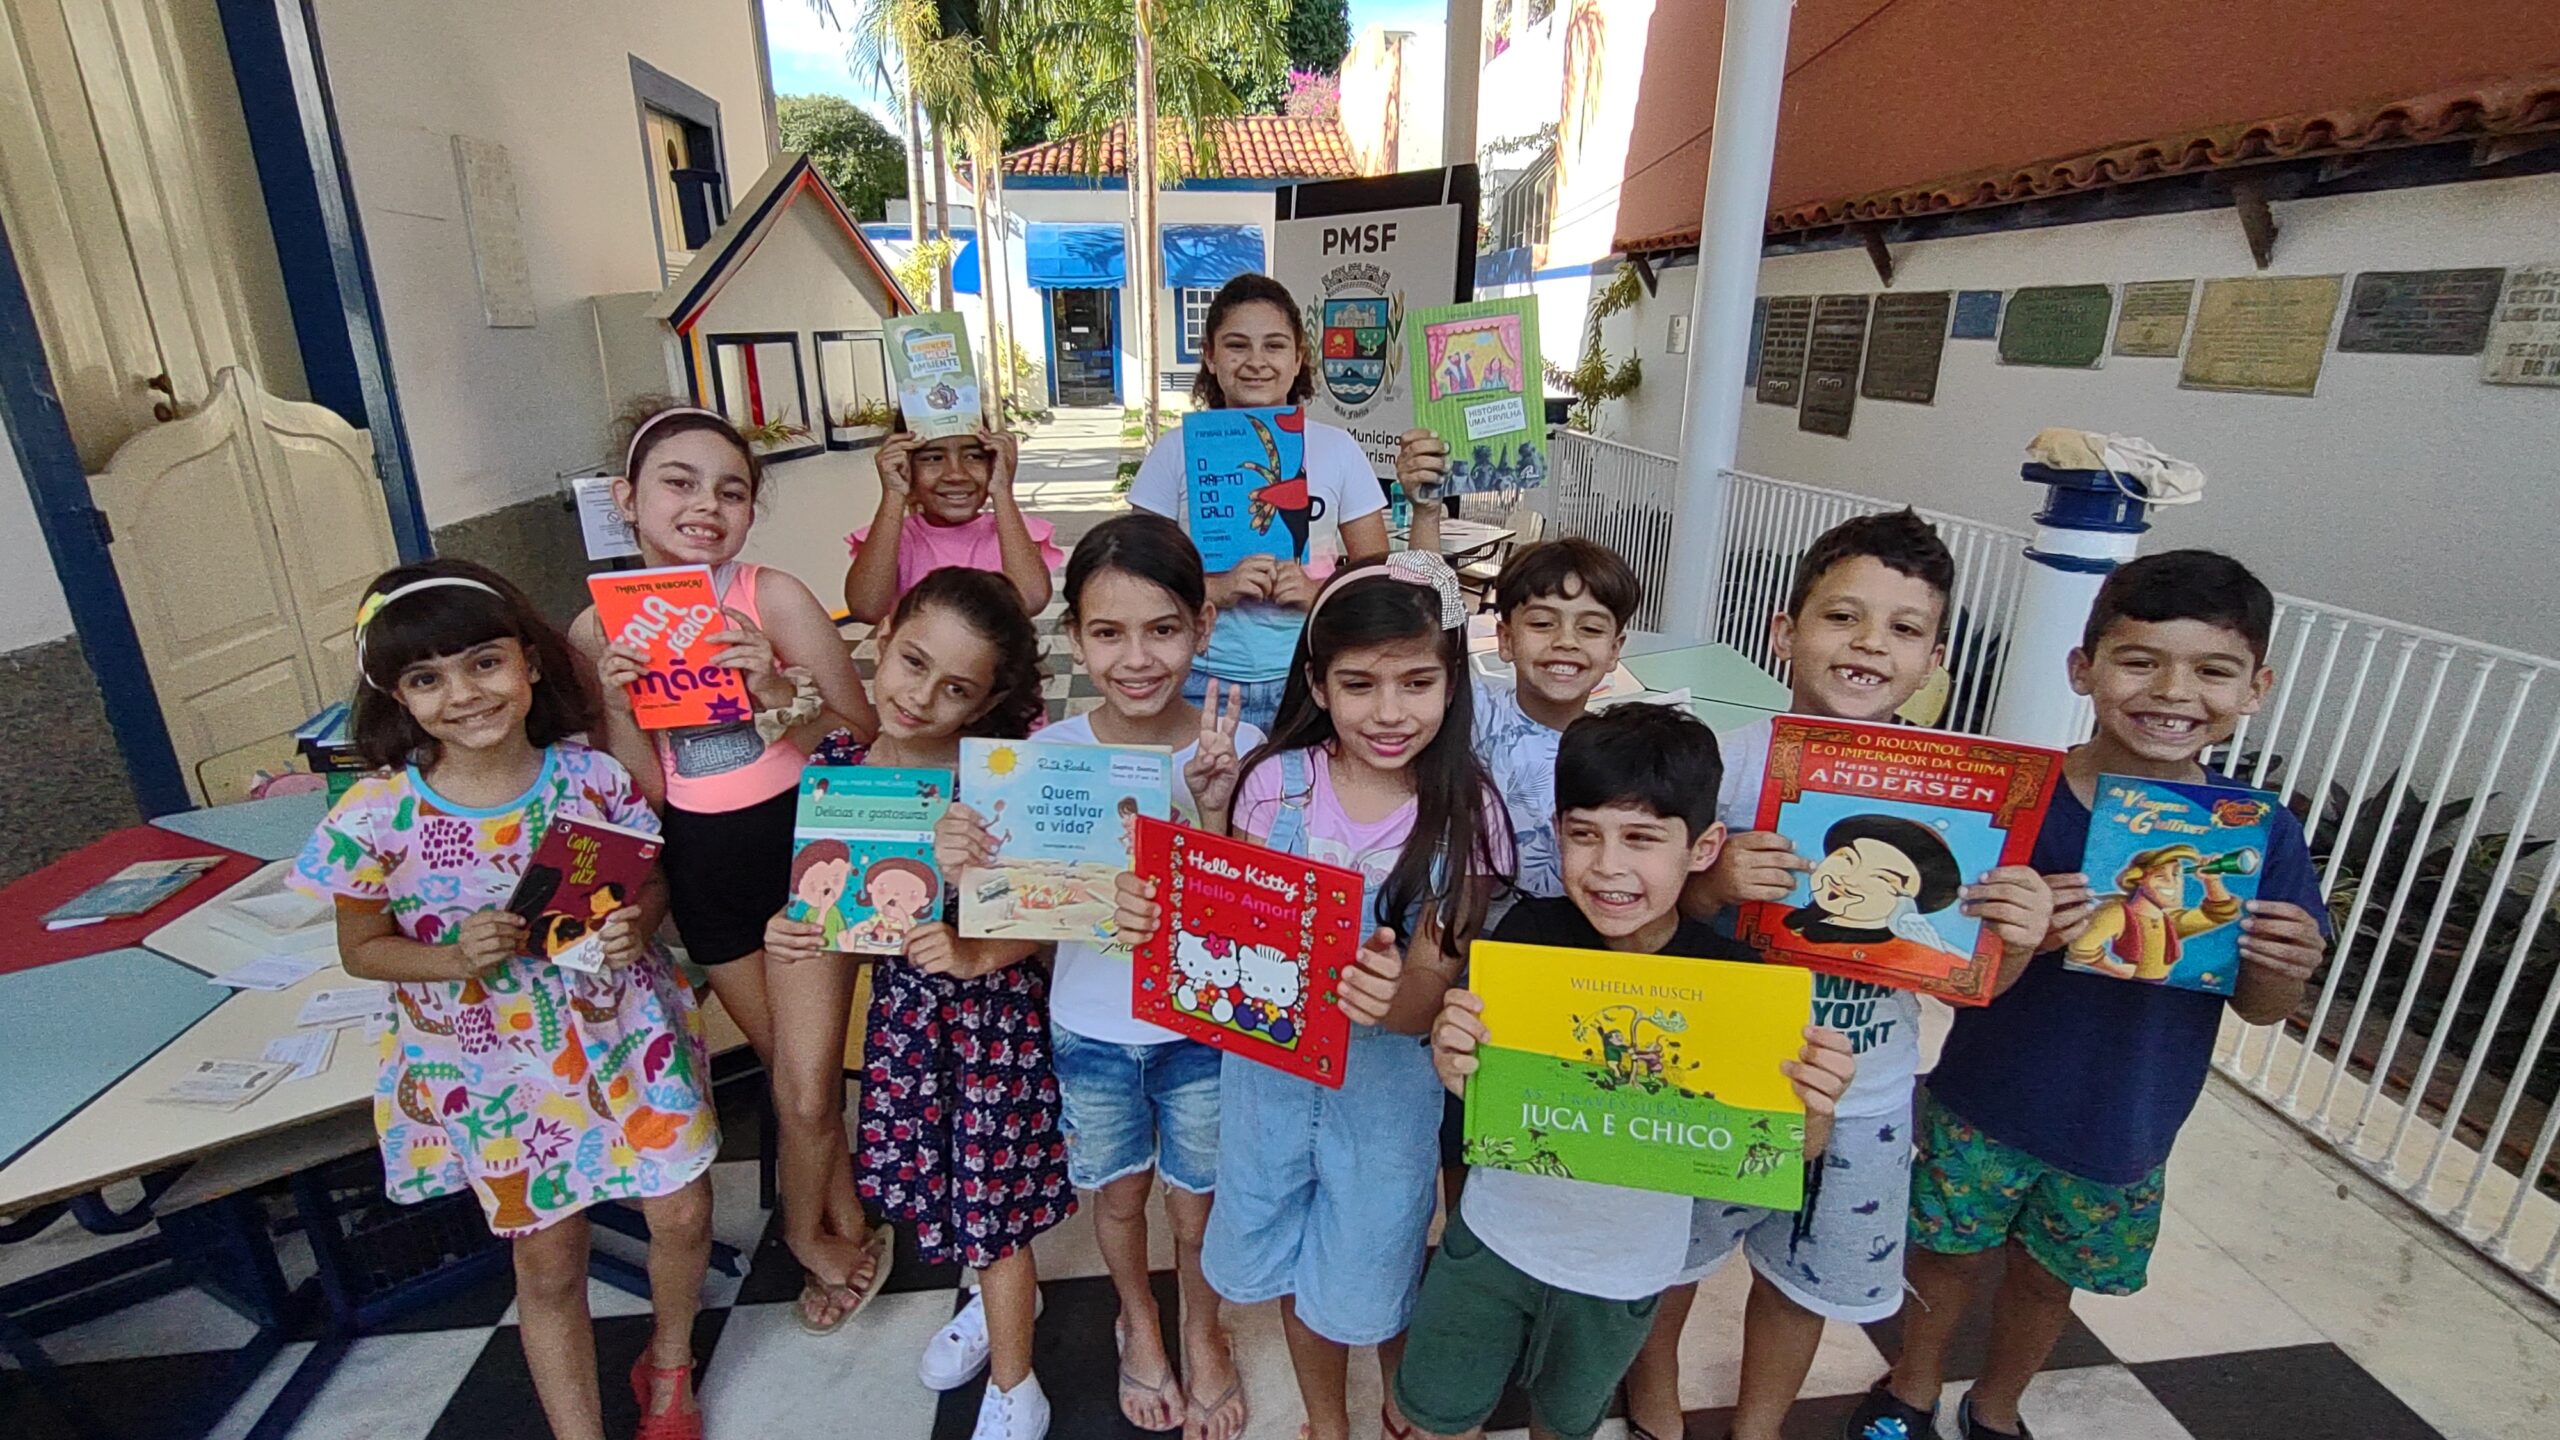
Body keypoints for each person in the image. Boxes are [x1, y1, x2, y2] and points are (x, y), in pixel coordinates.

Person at [1851, 550, 2329, 1440]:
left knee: (2046, 1274)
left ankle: (1997, 1406)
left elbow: (2262, 1008)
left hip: (2128, 1122)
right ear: (2085, 667)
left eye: (2213, 670)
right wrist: (2022, 935)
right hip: (1984, 1101)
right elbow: (1966, 987)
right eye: (2139, 659)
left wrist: (2284, 964)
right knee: (1948, 1255)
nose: (2173, 691)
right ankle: (1909, 1389)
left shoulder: (2254, 835)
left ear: (2254, 686)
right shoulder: (2016, 807)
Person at [1623, 510, 2055, 1440]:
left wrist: (2012, 942)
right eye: (1842, 617)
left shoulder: (1963, 794)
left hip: (1866, 1089)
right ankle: (1653, 1400)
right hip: (1718, 1078)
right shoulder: (1721, 768)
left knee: (1803, 1276)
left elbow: (1969, 982)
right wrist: (1712, 885)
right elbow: (1638, 919)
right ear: (1785, 632)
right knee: (1672, 1260)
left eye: (1904, 629)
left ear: (1934, 658)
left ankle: (1759, 1425)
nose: (1869, 645)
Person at [294, 560, 718, 1440]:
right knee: (549, 1258)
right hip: (494, 1069)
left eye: (483, 662)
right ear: (398, 697)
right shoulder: (376, 816)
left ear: (527, 663)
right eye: (427, 678)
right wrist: (451, 958)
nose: (463, 694)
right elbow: (362, 949)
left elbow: (647, 885)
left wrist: (638, 924)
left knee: (679, 1209)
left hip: (623, 1037)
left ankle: (669, 1366)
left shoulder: (591, 777)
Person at [1114, 552, 1512, 1440]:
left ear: (1453, 682)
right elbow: (1225, 944)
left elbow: (1430, 992)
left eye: (1418, 681)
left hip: (1385, 1099)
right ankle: (1327, 1423)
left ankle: (1404, 1408)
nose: (1390, 711)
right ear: (1317, 684)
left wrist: (1392, 998)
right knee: (1291, 1259)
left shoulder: (1464, 812)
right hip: (1269, 1090)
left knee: (1377, 1259)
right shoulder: (1273, 783)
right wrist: (1185, 874)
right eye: (1359, 683)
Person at [1409, 705, 1858, 1440]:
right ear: (1558, 833)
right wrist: (1454, 1060)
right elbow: (1475, 1089)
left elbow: (1788, 1151)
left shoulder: (1738, 985)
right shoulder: (1526, 938)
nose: (1609, 866)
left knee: (1568, 1419)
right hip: (1493, 1240)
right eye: (1584, 834)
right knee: (1439, 1411)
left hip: (1625, 1272)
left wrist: (1814, 1108)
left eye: (1642, 839)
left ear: (1705, 845)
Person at [932, 514, 1261, 1438]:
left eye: (1162, 630)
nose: (1137, 658)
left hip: (1203, 1025)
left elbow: (1267, 924)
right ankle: (1139, 1319)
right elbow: (1016, 921)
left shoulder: (1244, 750)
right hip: (1089, 1026)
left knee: (1198, 1209)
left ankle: (1204, 1327)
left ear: (1202, 626)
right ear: (1074, 635)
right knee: (1117, 1195)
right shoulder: (1038, 763)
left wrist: (1221, 814)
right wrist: (964, 862)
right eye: (1108, 632)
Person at [571, 401, 886, 1335]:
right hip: (703, 867)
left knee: (804, 1079)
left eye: (731, 490)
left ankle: (810, 1233)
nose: (705, 505)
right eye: (679, 482)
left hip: (801, 848)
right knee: (801, 1075)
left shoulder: (771, 597)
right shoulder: (594, 633)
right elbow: (643, 799)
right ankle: (842, 1216)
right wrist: (622, 705)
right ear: (628, 500)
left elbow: (862, 727)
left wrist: (781, 693)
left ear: (751, 512)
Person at [770, 567, 1068, 1440]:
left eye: (955, 689)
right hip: (906, 1026)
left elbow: (1056, 915)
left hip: (993, 1029)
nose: (920, 697)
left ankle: (1017, 1388)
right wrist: (795, 930)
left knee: (995, 1206)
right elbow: (830, 908)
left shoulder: (1000, 778)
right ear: (884, 630)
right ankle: (990, 1297)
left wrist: (977, 939)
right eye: (911, 663)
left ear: (988, 700)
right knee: (951, 1191)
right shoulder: (841, 765)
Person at [1124, 273, 1392, 732]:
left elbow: (1376, 573)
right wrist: (1216, 590)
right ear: (1209, 356)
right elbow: (1131, 582)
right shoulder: (1175, 451)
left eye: (1274, 345)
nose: (1256, 362)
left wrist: (1316, 594)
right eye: (1236, 345)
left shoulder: (1338, 448)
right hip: (1201, 678)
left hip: (1309, 679)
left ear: (1298, 357)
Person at [843, 426, 1061, 623]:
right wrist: (893, 492)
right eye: (933, 458)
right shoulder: (893, 538)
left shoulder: (1010, 530)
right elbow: (867, 608)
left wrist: (1003, 491)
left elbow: (1032, 601)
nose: (956, 474)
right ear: (905, 467)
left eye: (974, 456)